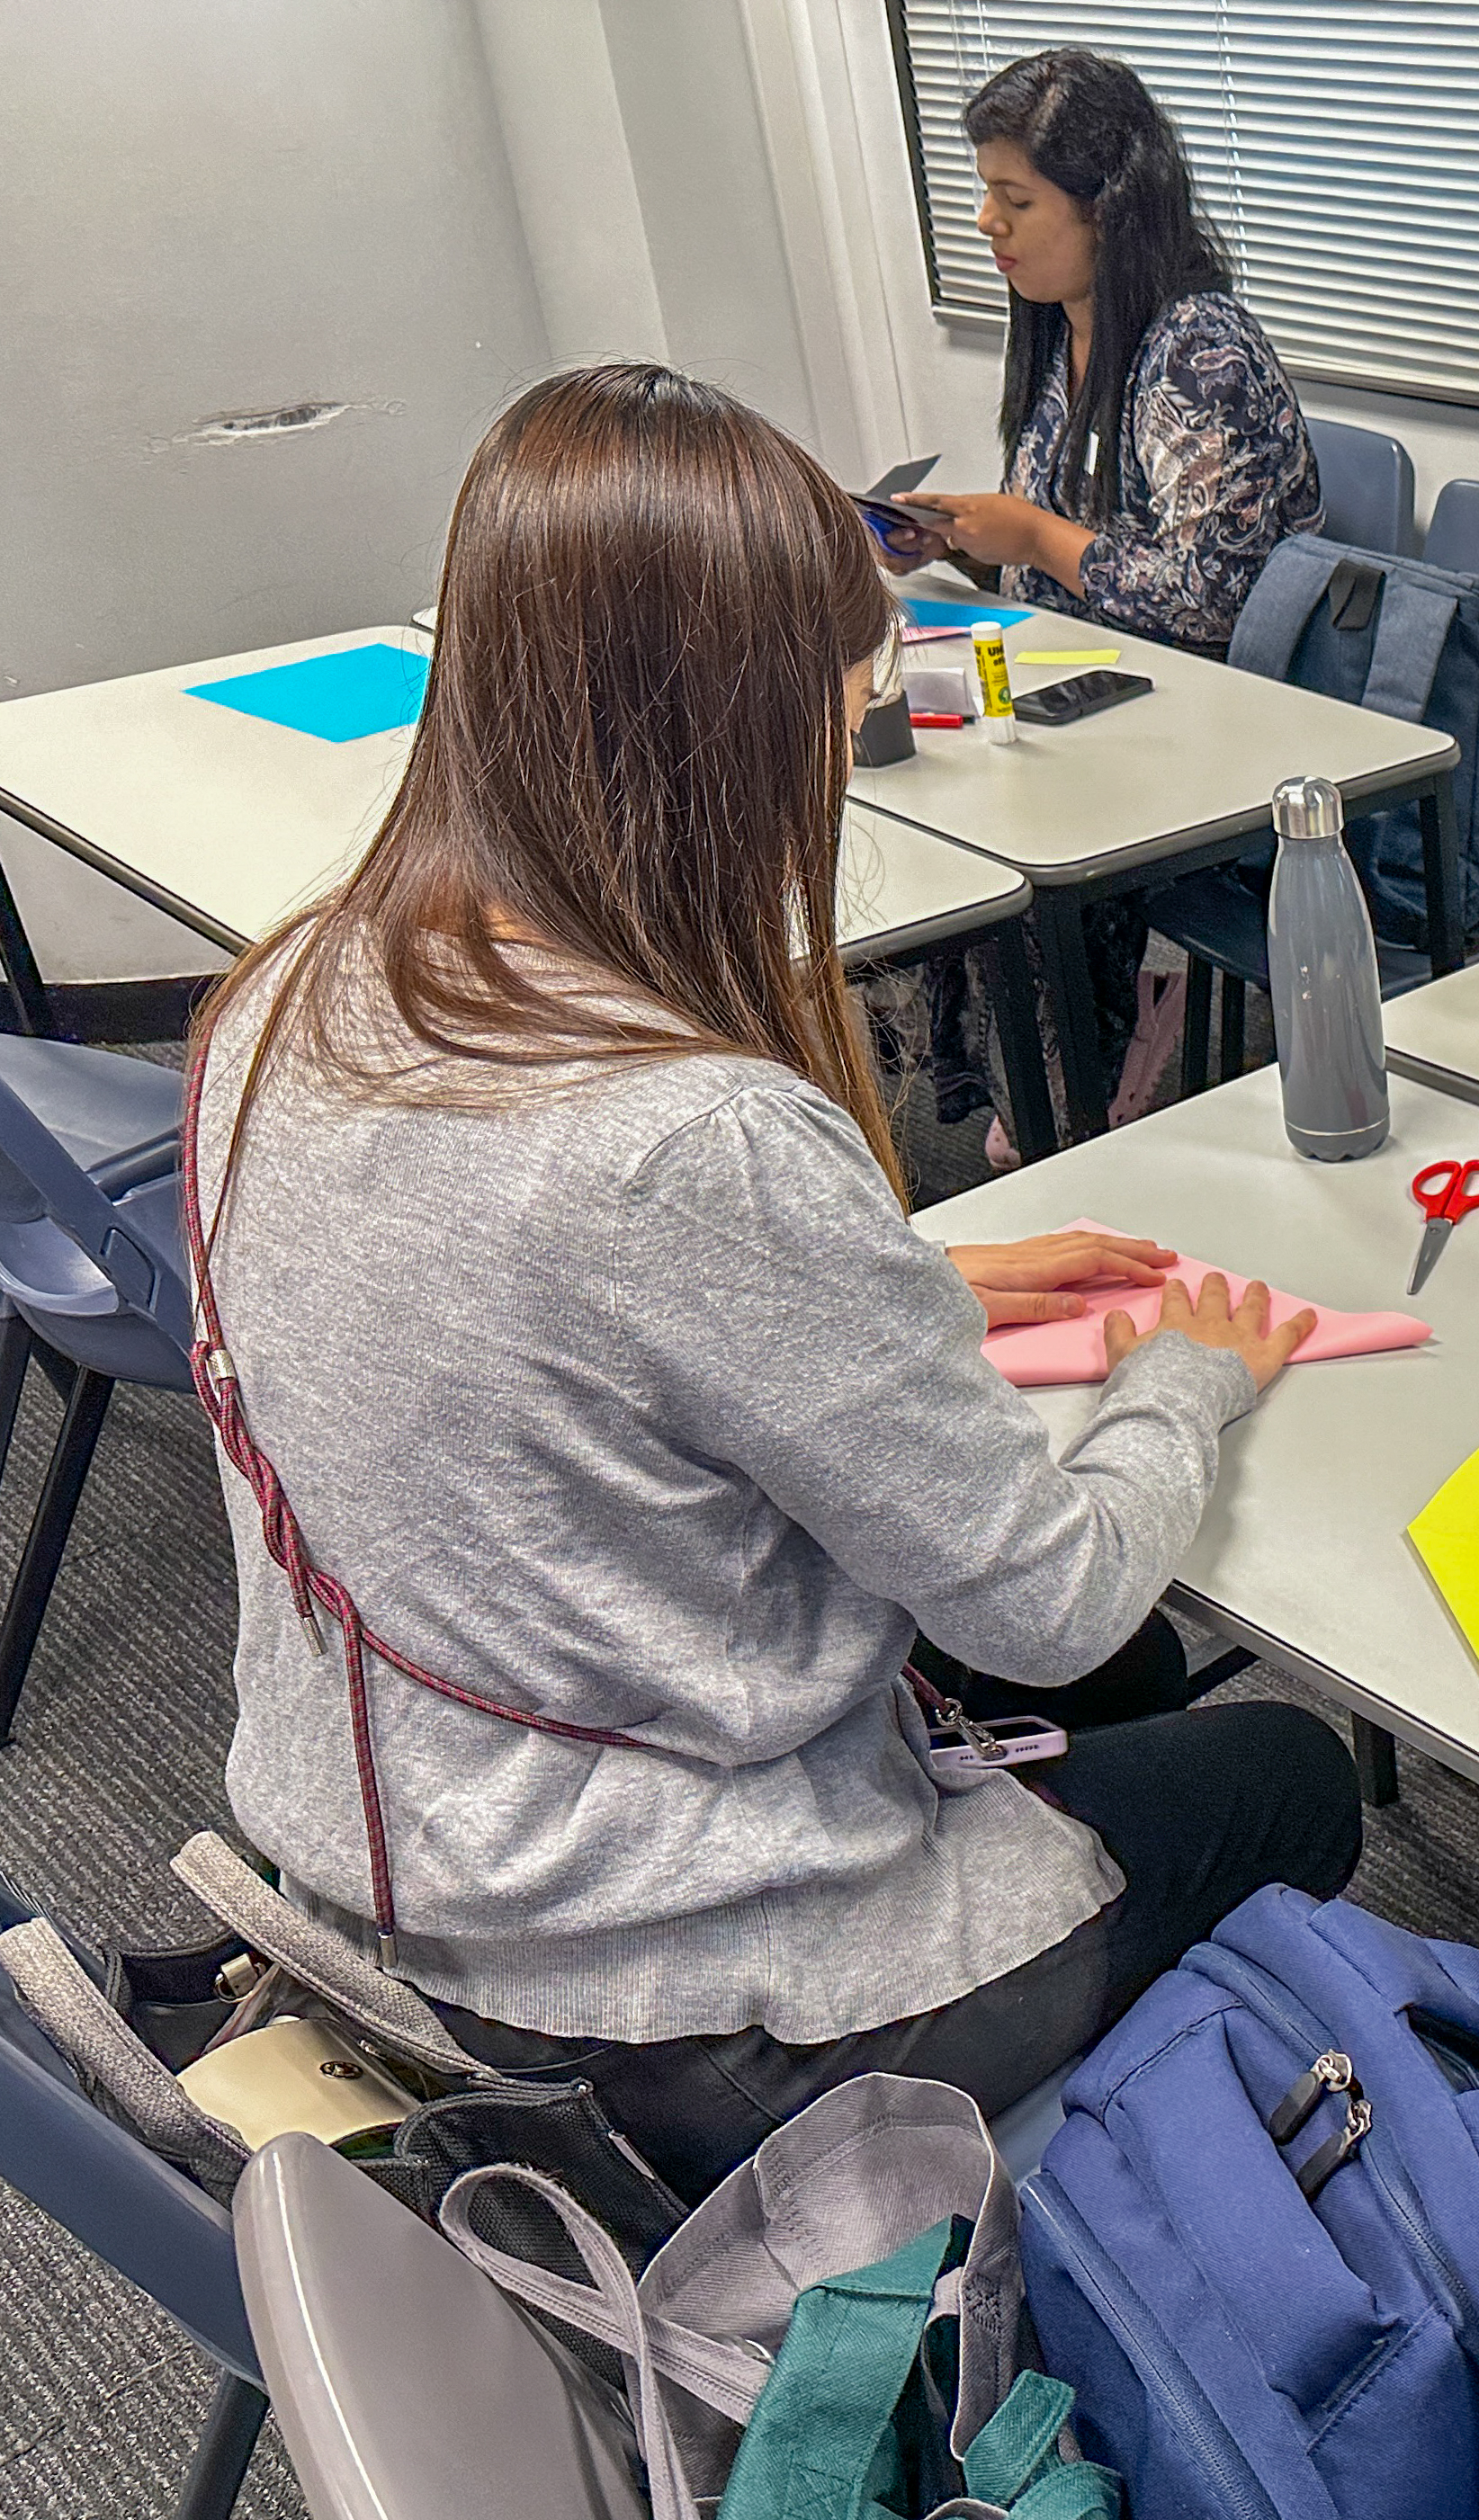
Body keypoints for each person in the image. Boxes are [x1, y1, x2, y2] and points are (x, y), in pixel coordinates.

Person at [185, 363, 1360, 2202]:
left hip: (374, 1867)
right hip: (664, 2015)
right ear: (724, 733)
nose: (855, 743)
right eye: (847, 703)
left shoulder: (291, 995)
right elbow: (1048, 1601)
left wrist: (902, 1283)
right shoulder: (697, 1141)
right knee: (1279, 1768)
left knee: (1099, 1674)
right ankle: (1067, 2224)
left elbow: (522, 1308)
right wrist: (1182, 1383)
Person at [876, 47, 1320, 657]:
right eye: (986, 192)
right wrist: (959, 543)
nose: (986, 221)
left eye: (1017, 200)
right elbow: (1076, 566)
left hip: (1202, 703)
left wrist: (1032, 537)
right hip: (1080, 671)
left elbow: (1214, 603)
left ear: (1107, 212)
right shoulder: (1059, 329)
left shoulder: (1199, 355)